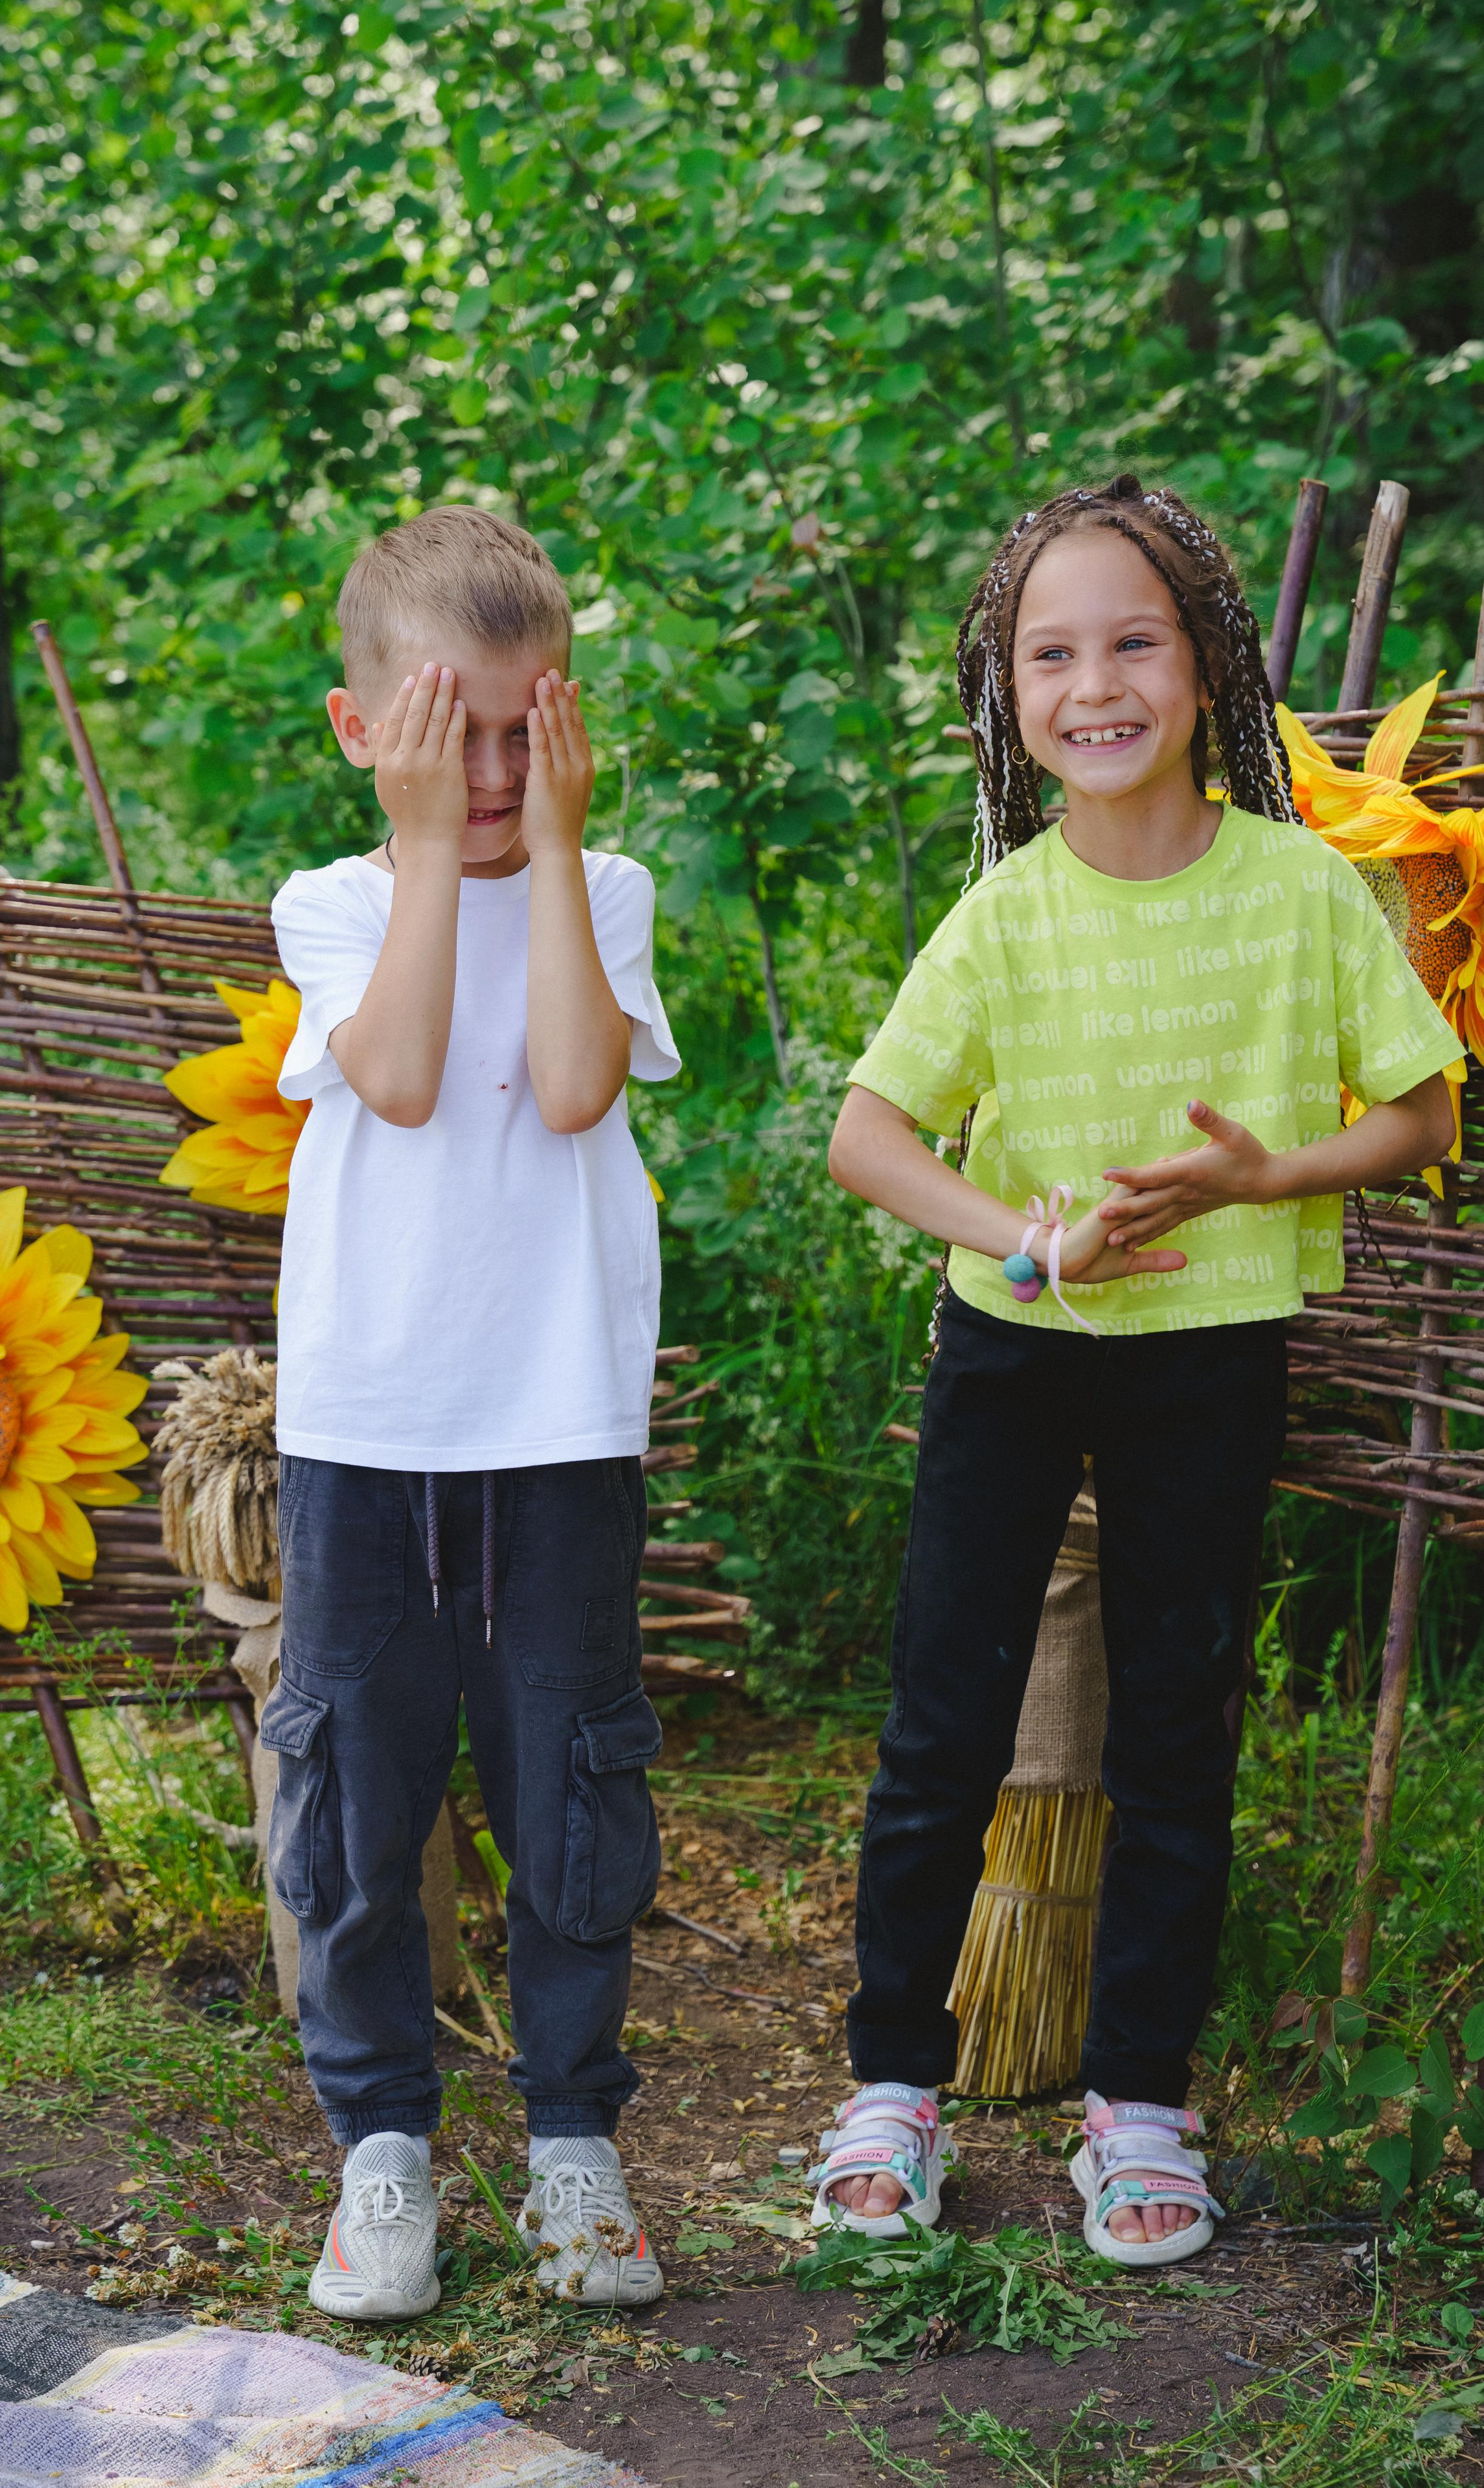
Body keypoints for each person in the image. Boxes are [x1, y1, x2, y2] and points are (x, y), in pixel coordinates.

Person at [814, 476, 1461, 2268]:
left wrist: (1266, 1176)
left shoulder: (1302, 894)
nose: (1093, 685)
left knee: (1178, 1737)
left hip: (1213, 1351)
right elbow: (871, 1137)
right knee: (945, 1725)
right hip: (1014, 1345)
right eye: (1051, 653)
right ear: (1007, 695)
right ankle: (891, 2085)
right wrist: (1021, 1234)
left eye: (1132, 642)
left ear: (1209, 669)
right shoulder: (1005, 914)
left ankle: (1142, 2105)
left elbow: (1421, 1113)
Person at [264, 506, 678, 2321]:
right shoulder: (338, 907)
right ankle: (383, 2150)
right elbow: (410, 1077)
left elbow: (578, 1089)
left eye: (529, 732)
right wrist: (434, 852)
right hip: (368, 1435)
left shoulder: (608, 892)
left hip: (559, 1430)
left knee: (572, 1787)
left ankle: (573, 2137)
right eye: (457, 733)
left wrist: (557, 847)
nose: (498, 772)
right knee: (359, 1796)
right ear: (368, 734)